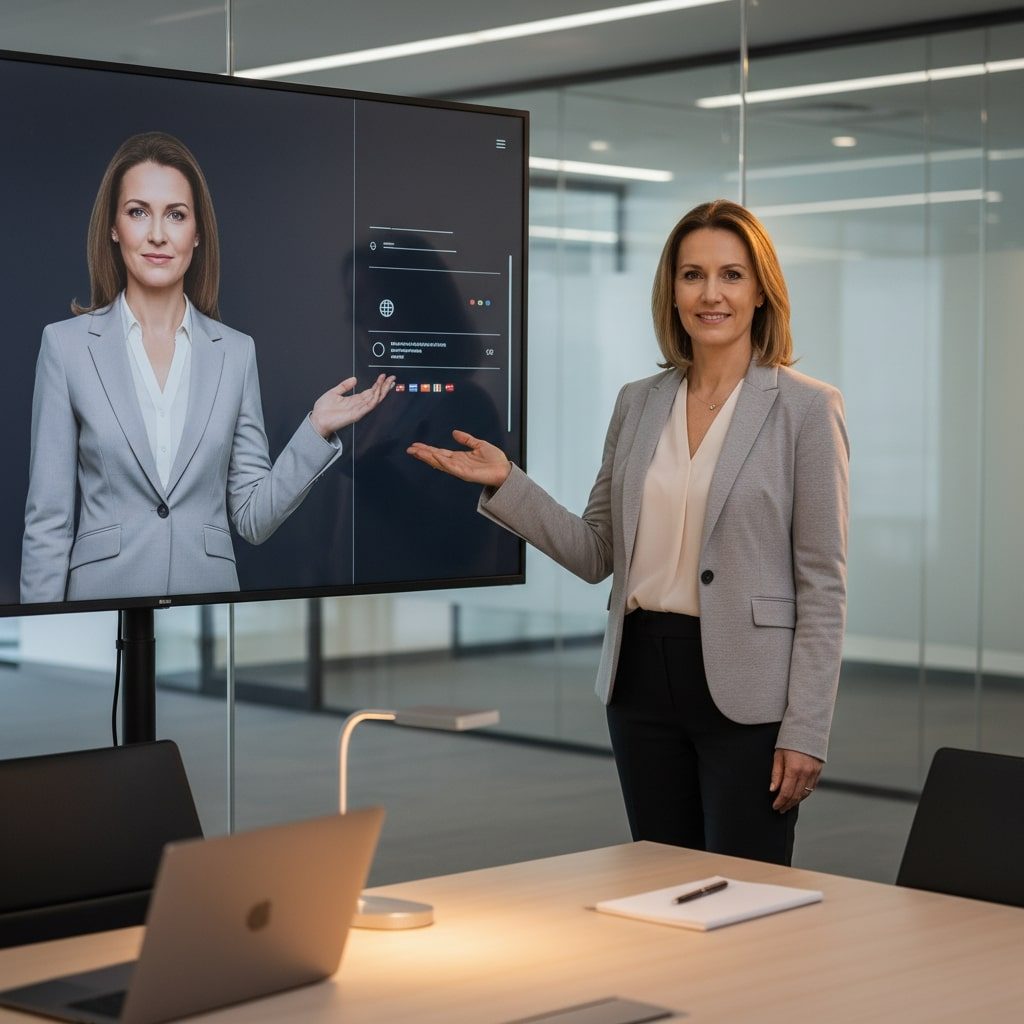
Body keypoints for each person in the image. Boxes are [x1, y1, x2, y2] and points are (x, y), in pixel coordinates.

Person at [407, 199, 849, 865]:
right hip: (642, 676)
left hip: (748, 688)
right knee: (661, 878)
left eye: (731, 275)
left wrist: (807, 728)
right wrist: (506, 483)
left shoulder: (807, 409)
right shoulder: (638, 402)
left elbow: (823, 585)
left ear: (761, 291)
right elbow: (597, 551)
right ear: (671, 291)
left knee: (748, 887)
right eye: (692, 275)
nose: (711, 294)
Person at [21, 131, 394, 604]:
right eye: (138, 212)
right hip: (103, 608)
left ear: (196, 233)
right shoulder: (66, 346)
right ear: (114, 227)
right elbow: (48, 522)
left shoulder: (235, 354)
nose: (158, 234)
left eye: (176, 215)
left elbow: (252, 519)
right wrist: (39, 617)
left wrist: (315, 429)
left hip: (208, 612)